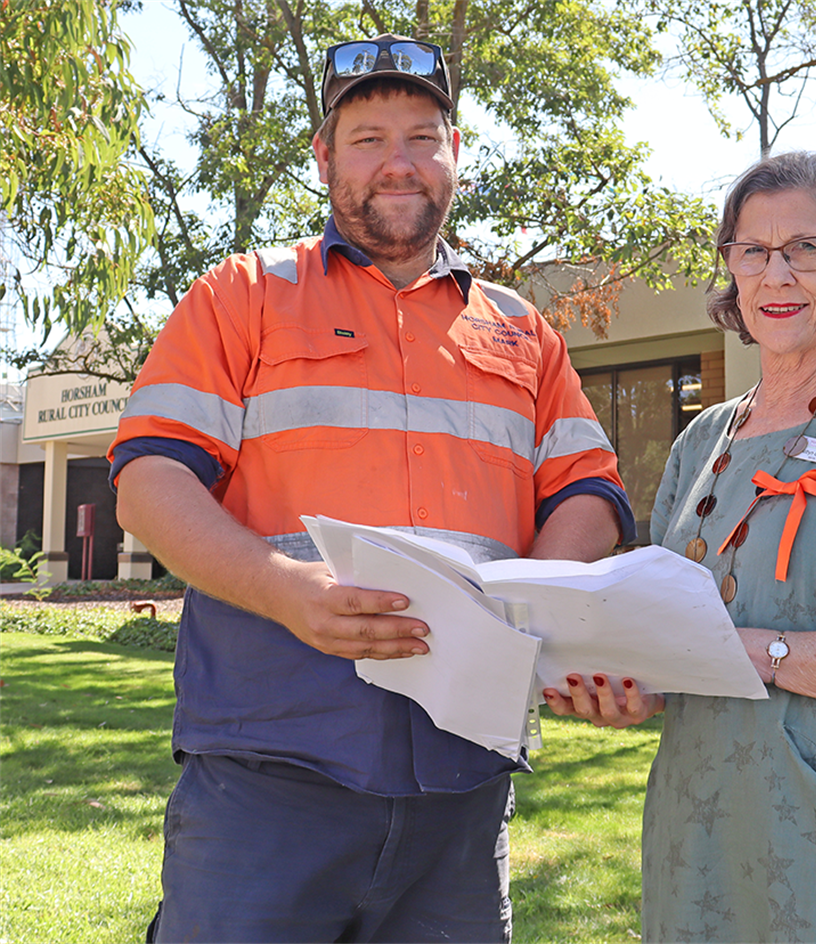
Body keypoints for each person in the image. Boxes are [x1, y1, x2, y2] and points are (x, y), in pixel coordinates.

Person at [110, 34, 634, 944]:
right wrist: (285, 589)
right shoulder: (239, 296)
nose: (399, 161)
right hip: (268, 778)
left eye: (424, 137)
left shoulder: (523, 331)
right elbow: (151, 481)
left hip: (465, 788)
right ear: (323, 158)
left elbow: (586, 489)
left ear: (456, 156)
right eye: (368, 138)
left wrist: (536, 602)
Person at [544, 151, 816, 943]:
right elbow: (669, 652)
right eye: (753, 251)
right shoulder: (703, 438)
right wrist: (625, 690)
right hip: (697, 845)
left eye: (805, 248)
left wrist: (745, 650)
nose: (776, 273)